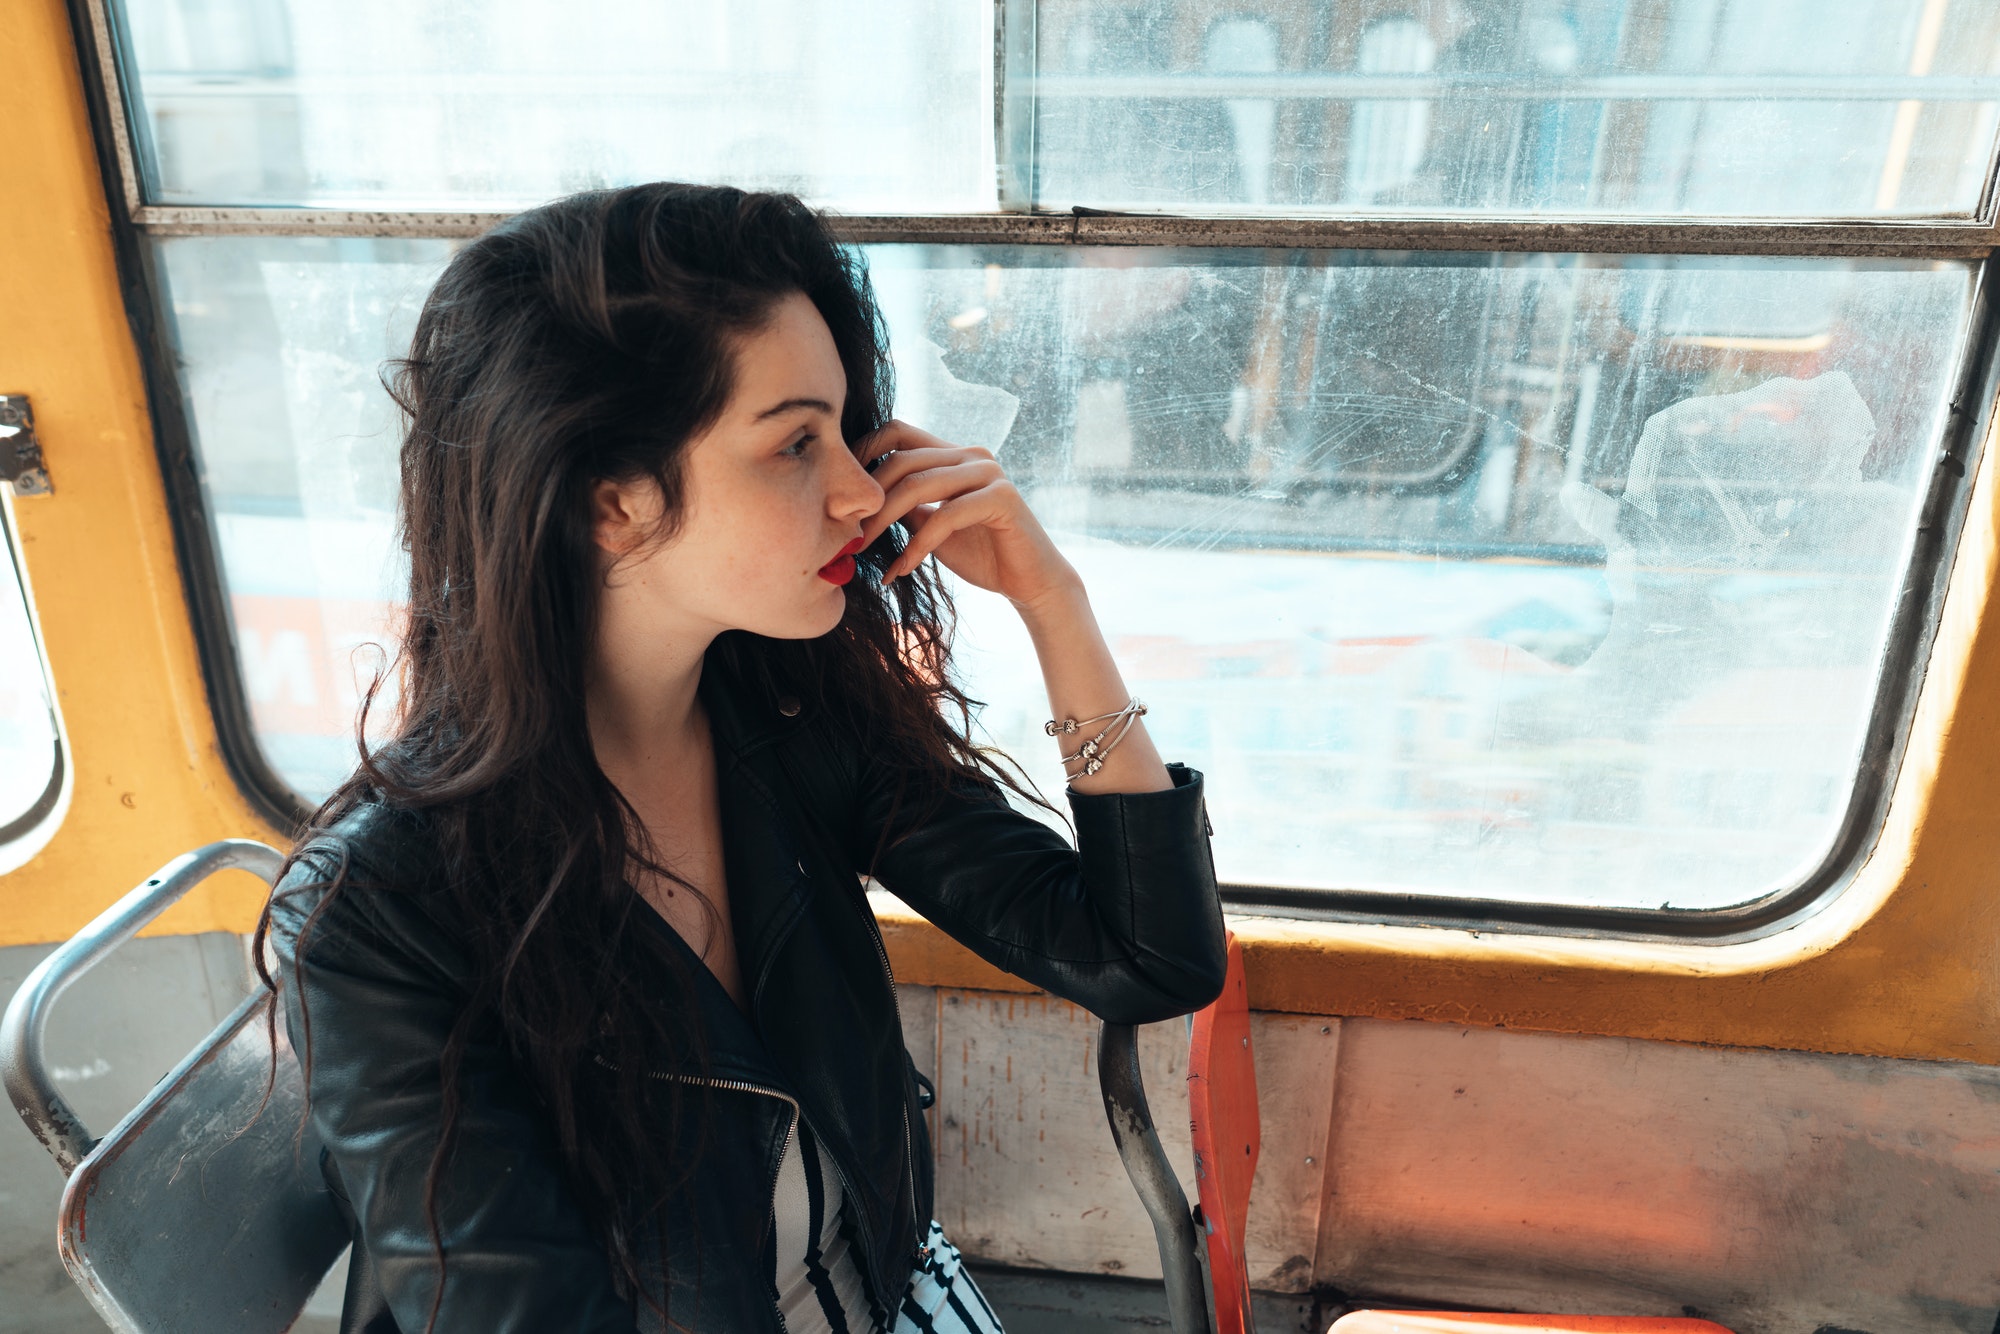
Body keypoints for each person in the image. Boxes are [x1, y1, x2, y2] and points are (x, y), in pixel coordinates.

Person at [260, 182, 1227, 1334]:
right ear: (612, 502)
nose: (862, 491)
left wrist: (1052, 603)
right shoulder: (381, 909)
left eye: (842, 430)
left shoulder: (785, 714)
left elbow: (1146, 957)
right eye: (793, 444)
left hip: (890, 1288)